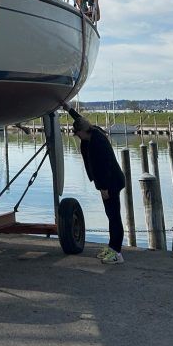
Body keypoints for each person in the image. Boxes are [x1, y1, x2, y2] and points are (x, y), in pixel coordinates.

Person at [65, 104, 126, 264]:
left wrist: (104, 188)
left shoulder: (97, 142)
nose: (76, 136)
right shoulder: (91, 133)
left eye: (77, 133)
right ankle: (112, 247)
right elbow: (80, 119)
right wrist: (68, 108)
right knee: (110, 215)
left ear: (82, 132)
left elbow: (104, 166)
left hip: (111, 183)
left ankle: (117, 253)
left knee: (114, 217)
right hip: (107, 182)